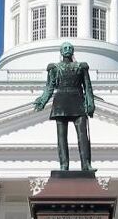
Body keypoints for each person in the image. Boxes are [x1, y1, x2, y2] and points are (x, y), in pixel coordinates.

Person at [33, 42, 96, 171]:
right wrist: (42, 101)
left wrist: (90, 103)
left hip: (78, 101)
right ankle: (64, 165)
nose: (67, 50)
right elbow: (49, 87)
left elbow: (87, 87)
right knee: (62, 137)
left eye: (69, 48)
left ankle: (86, 164)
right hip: (61, 102)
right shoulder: (54, 68)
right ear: (61, 52)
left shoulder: (81, 67)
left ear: (73, 51)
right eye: (65, 48)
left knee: (83, 135)